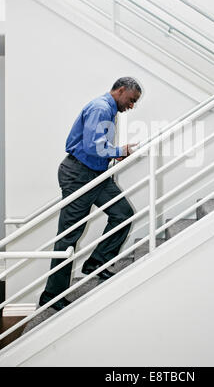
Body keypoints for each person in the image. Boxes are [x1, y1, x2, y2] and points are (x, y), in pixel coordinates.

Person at [39, 77, 142, 311]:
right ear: (120, 90)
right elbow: (93, 146)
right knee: (69, 236)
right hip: (79, 174)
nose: (132, 106)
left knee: (122, 213)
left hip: (95, 174)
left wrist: (113, 155)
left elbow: (96, 147)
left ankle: (96, 263)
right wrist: (118, 151)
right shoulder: (101, 108)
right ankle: (51, 296)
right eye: (131, 100)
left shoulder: (108, 109)